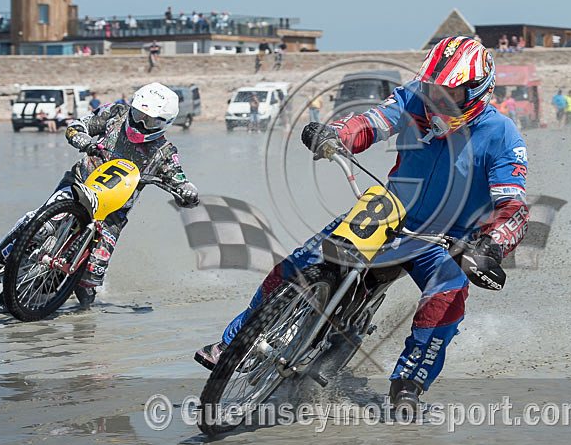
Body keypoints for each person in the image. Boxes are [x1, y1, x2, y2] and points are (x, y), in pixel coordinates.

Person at [195, 36, 529, 411]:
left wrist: (492, 246)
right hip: (389, 211)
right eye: (432, 89)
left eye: (448, 92)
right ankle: (235, 341)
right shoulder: (412, 99)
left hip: (445, 239)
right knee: (301, 262)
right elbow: (370, 123)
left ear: (477, 90)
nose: (436, 99)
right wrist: (335, 135)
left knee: (447, 293)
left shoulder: (502, 134)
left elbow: (513, 206)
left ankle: (408, 386)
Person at [0, 83, 199, 308]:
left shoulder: (164, 152)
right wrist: (81, 138)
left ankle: (68, 294)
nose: (140, 123)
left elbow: (180, 179)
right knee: (41, 224)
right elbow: (77, 125)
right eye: (138, 115)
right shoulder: (116, 113)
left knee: (92, 276)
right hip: (79, 184)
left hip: (113, 212)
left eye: (149, 121)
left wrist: (188, 192)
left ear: (164, 123)